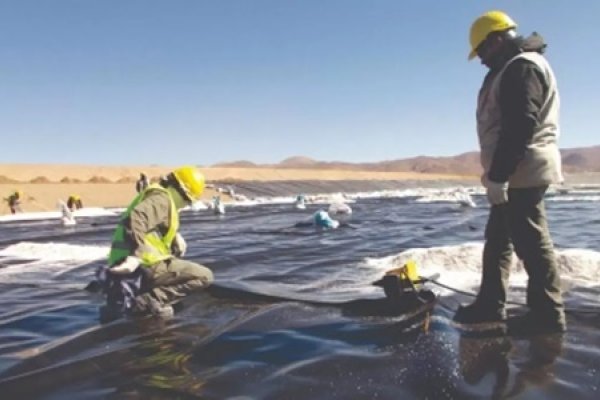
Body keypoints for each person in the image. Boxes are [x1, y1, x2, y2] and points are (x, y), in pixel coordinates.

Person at [453, 11, 565, 334]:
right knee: (499, 240)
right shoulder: (510, 68)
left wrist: (500, 176)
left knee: (531, 242)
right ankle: (490, 304)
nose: (482, 61)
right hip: (512, 171)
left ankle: (548, 317)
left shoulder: (522, 68)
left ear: (497, 40)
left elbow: (520, 126)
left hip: (522, 172)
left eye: (483, 52)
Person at [99, 166, 214, 320]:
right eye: (187, 201)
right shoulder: (162, 199)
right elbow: (137, 218)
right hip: (142, 265)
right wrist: (136, 256)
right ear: (181, 191)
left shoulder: (158, 195)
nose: (185, 205)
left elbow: (149, 222)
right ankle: (147, 301)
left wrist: (174, 237)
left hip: (123, 263)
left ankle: (137, 299)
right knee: (204, 276)